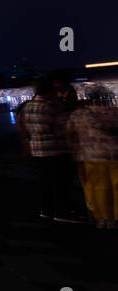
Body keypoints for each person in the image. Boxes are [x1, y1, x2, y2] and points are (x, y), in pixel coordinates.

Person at [17, 77, 85, 223]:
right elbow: (63, 127)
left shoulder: (28, 106)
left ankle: (46, 210)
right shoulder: (52, 106)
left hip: (38, 149)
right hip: (56, 149)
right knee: (61, 182)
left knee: (45, 181)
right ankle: (63, 212)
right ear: (51, 90)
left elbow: (23, 126)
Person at [66, 94, 118, 229]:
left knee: (99, 188)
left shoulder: (77, 115)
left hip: (91, 157)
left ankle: (102, 218)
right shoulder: (114, 112)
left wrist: (74, 152)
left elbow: (70, 135)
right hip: (115, 156)